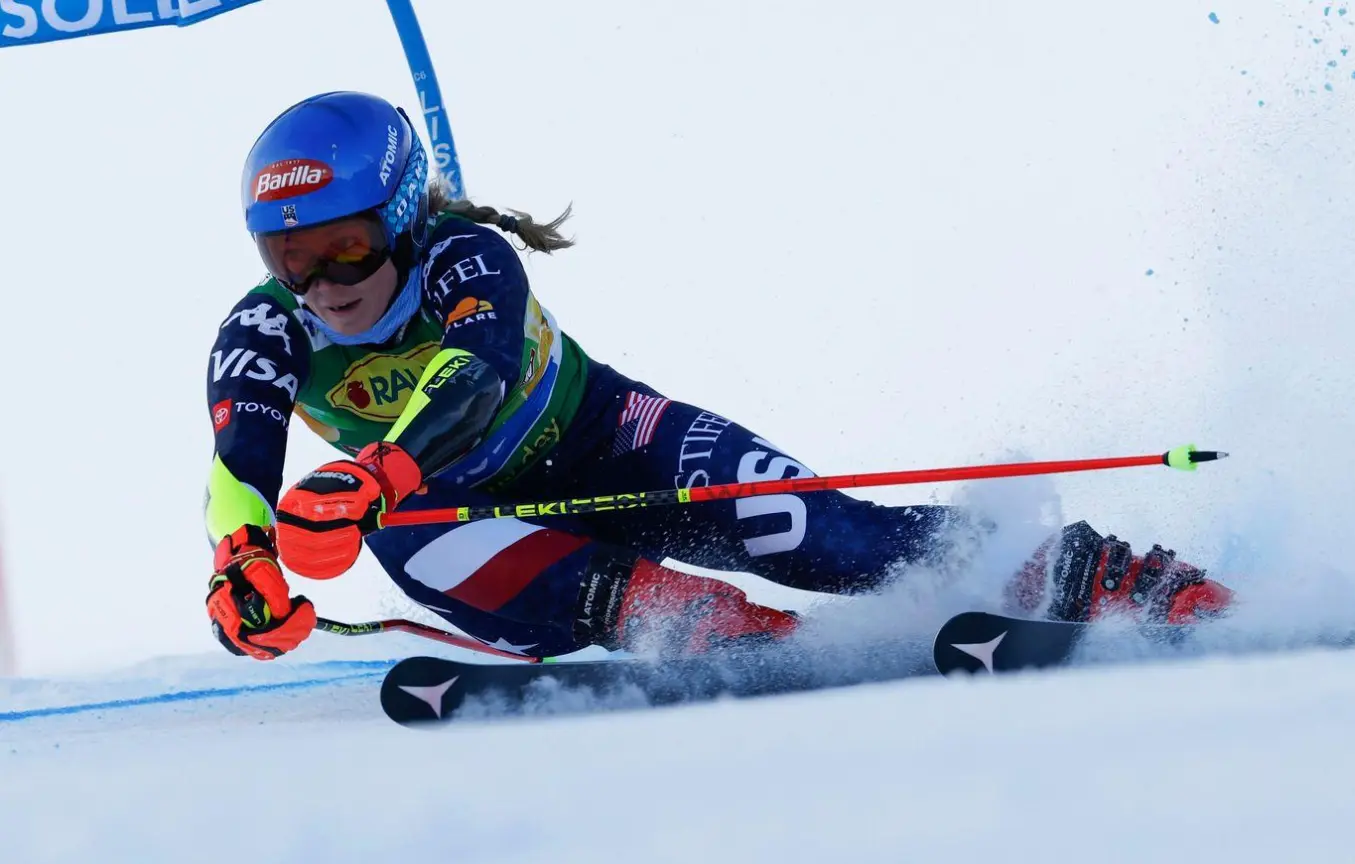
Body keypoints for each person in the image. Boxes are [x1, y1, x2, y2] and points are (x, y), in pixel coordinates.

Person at [203, 91, 1233, 662]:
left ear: (398, 218)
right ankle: (705, 628)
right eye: (287, 256)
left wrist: (375, 468)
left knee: (821, 535)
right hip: (488, 529)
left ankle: (1093, 575)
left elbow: (470, 376)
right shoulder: (264, 327)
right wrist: (240, 564)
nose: (320, 280)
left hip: (616, 439)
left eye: (343, 246)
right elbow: (238, 460)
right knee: (403, 534)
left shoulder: (465, 257)